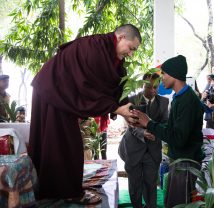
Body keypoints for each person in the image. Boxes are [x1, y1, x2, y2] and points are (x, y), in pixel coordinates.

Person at [28, 24, 141, 204]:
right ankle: (66, 191)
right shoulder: (95, 47)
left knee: (59, 143)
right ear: (120, 37)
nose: (131, 54)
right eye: (131, 48)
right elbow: (87, 87)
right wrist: (115, 108)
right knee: (63, 143)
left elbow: (114, 84)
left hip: (59, 93)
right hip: (53, 90)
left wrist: (124, 108)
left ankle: (57, 189)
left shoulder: (110, 54)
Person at [133, 55, 204, 208]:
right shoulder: (180, 97)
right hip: (179, 161)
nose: (162, 79)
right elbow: (172, 129)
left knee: (178, 204)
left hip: (186, 164)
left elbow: (178, 138)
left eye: (164, 74)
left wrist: (150, 124)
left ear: (174, 75)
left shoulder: (187, 101)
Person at [119, 72, 169, 208]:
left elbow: (165, 123)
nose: (153, 90)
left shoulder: (164, 101)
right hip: (133, 147)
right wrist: (143, 132)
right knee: (135, 183)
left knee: (151, 182)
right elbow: (131, 124)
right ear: (142, 85)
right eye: (149, 87)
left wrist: (154, 131)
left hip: (152, 149)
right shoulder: (132, 100)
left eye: (156, 87)